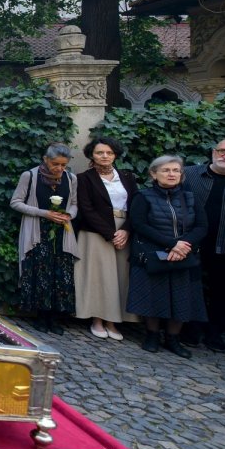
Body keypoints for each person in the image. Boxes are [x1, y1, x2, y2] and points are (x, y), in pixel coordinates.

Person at [127, 155, 207, 358]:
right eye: (166, 170)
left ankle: (173, 338)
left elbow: (202, 226)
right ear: (154, 174)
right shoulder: (143, 196)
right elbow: (139, 225)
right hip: (154, 254)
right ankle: (152, 335)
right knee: (153, 296)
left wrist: (183, 246)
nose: (171, 174)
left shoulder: (191, 197)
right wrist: (172, 244)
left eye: (176, 170)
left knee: (181, 298)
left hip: (184, 255)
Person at [181, 138, 225, 352]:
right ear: (213, 152)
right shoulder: (188, 174)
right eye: (222, 150)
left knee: (221, 292)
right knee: (190, 287)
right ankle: (190, 330)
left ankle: (215, 334)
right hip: (190, 243)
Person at [11, 143, 79, 334]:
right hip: (37, 231)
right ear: (46, 159)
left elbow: (74, 203)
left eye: (63, 165)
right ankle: (41, 317)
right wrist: (44, 213)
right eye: (55, 164)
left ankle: (55, 318)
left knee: (61, 274)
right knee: (41, 273)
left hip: (62, 233)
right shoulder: (30, 176)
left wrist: (69, 215)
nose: (59, 168)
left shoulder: (71, 178)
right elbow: (15, 202)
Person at [75, 137, 138, 340]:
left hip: (124, 231)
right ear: (91, 155)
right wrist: (110, 234)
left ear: (115, 155)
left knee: (120, 277)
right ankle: (97, 320)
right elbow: (86, 209)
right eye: (100, 152)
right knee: (98, 278)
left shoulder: (127, 177)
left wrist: (126, 230)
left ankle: (113, 321)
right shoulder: (84, 178)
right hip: (96, 233)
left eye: (109, 153)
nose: (104, 156)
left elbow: (136, 206)